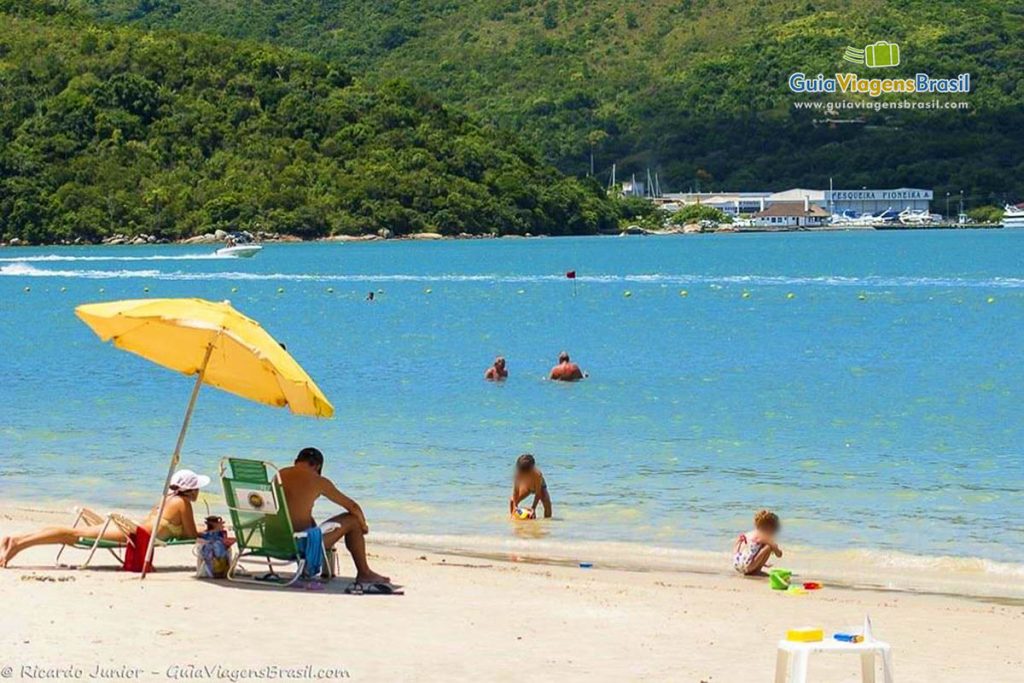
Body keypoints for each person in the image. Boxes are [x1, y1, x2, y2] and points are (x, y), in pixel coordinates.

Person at [0, 469, 209, 568]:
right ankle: (18, 544)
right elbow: (189, 534)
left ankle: (17, 540)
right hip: (134, 534)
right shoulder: (183, 503)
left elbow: (177, 527)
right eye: (197, 486)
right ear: (191, 489)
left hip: (136, 530)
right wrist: (209, 531)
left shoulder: (168, 498)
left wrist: (205, 527)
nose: (199, 490)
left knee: (72, 534)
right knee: (73, 535)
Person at [278, 447, 390, 585]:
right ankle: (364, 572)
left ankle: (362, 572)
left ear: (296, 461)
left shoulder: (279, 475)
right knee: (353, 520)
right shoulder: (318, 481)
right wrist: (364, 526)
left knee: (313, 525)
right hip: (298, 546)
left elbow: (288, 512)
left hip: (273, 541)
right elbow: (353, 507)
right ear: (318, 466)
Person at [732, 509, 783, 576]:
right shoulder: (764, 536)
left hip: (737, 564)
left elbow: (750, 551)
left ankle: (751, 568)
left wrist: (760, 561)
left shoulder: (749, 534)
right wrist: (777, 550)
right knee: (769, 546)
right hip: (748, 566)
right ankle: (757, 571)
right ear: (769, 527)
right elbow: (779, 554)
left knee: (754, 545)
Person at [509, 454, 552, 519]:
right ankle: (514, 517)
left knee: (547, 503)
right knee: (512, 501)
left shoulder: (537, 475)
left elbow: (538, 493)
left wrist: (533, 508)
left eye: (525, 473)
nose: (523, 474)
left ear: (532, 469)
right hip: (527, 487)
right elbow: (516, 491)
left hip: (541, 488)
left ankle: (547, 521)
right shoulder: (518, 474)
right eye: (521, 471)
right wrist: (515, 507)